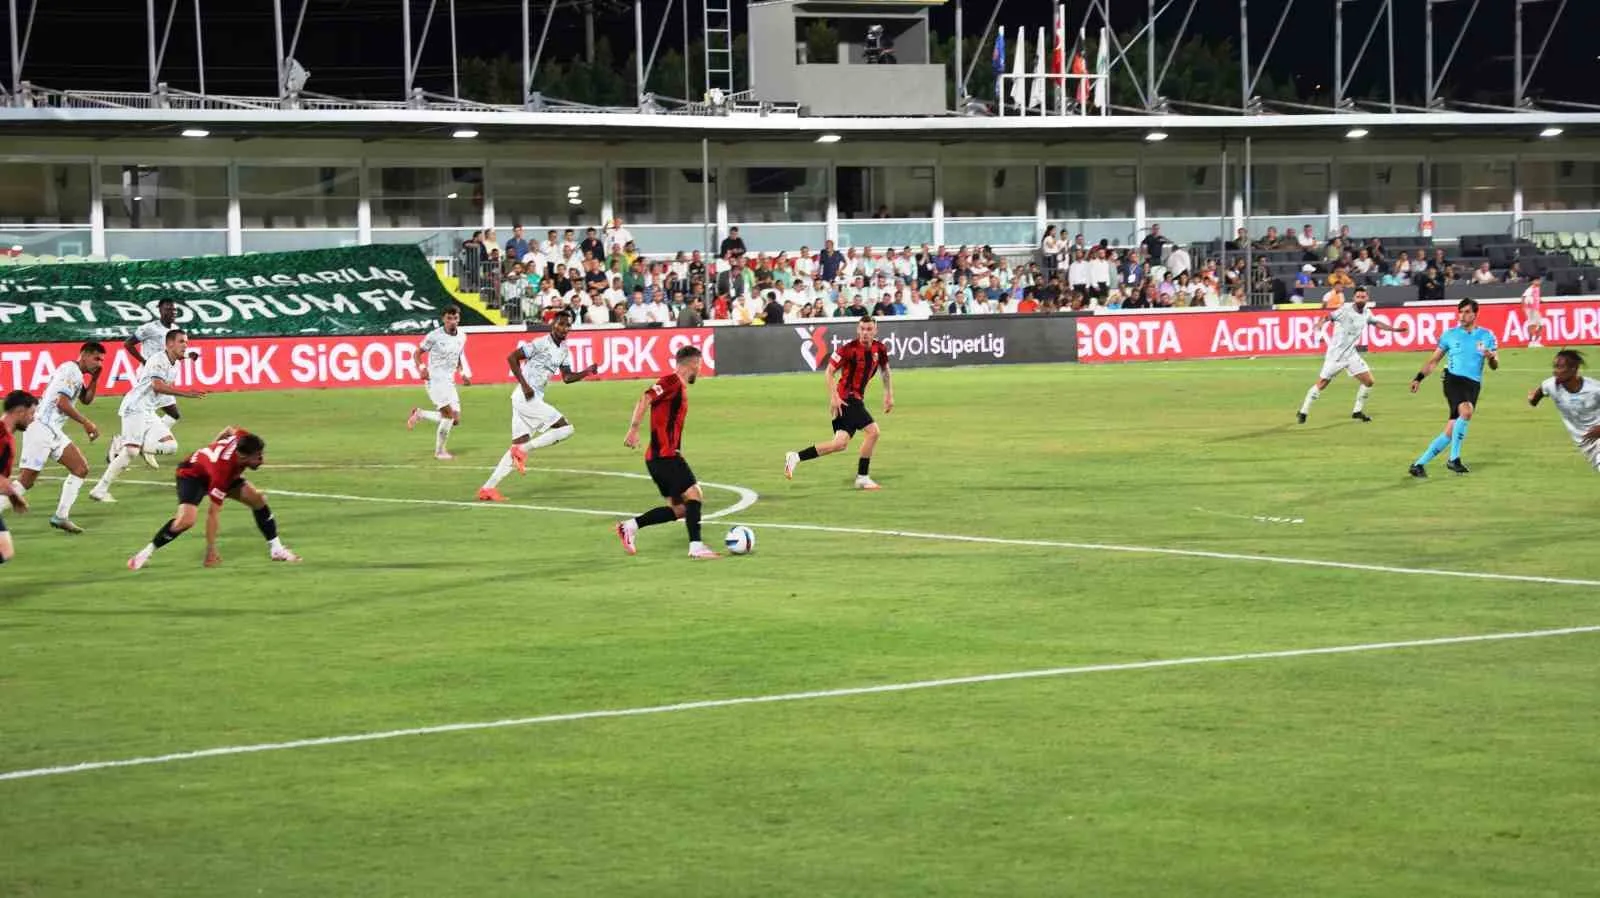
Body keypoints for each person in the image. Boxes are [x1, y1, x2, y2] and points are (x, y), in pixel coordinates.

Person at [127, 426, 300, 570]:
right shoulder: (221, 471)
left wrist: (213, 445)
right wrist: (211, 550)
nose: (262, 460)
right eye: (257, 457)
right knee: (186, 521)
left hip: (219, 469)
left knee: (258, 500)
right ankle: (144, 553)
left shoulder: (243, 438)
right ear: (242, 456)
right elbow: (213, 514)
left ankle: (276, 549)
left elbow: (229, 430)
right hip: (192, 475)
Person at [477, 310, 599, 502]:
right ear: (553, 324)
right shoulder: (540, 343)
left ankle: (487, 488)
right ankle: (525, 450)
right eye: (560, 323)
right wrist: (525, 386)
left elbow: (567, 378)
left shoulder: (564, 349)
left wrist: (587, 371)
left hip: (528, 398)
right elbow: (512, 358)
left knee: (516, 446)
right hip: (526, 396)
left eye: (567, 325)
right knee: (566, 429)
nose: (564, 328)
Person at [615, 345, 720, 559]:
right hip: (665, 456)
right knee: (694, 494)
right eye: (699, 364)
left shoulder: (679, 387)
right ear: (692, 363)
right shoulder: (671, 381)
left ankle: (630, 526)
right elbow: (645, 397)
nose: (700, 370)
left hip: (659, 457)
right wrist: (633, 429)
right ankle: (696, 546)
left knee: (680, 509)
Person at [93, 330, 207, 502]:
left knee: (170, 446)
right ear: (169, 344)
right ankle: (100, 489)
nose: (185, 344)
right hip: (135, 407)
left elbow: (179, 358)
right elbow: (157, 386)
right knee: (130, 452)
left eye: (186, 342)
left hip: (148, 411)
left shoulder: (174, 361)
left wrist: (189, 355)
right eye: (182, 341)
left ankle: (125, 444)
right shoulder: (157, 359)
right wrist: (186, 393)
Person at [784, 316, 894, 490]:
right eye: (862, 329)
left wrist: (889, 394)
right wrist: (834, 396)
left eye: (869, 329)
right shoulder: (848, 349)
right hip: (846, 398)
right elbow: (829, 372)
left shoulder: (879, 349)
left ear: (875, 331)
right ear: (858, 330)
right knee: (873, 432)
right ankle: (862, 477)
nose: (865, 333)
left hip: (853, 399)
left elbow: (885, 371)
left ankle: (795, 457)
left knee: (839, 444)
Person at [16, 342, 106, 533]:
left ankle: (61, 517)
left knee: (80, 468)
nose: (99, 363)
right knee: (26, 481)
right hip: (40, 427)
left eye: (102, 360)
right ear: (84, 355)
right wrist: (86, 422)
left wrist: (95, 378)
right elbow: (61, 403)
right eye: (96, 358)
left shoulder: (77, 374)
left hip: (53, 430)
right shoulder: (70, 371)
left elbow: (86, 400)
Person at [1408, 298, 1499, 477]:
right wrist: (1419, 377)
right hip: (1453, 379)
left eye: (1466, 312)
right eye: (1460, 312)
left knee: (1451, 431)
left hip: (1473, 384)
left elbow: (1495, 365)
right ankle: (1454, 459)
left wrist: (1491, 358)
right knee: (1466, 411)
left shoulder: (1487, 336)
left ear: (1475, 314)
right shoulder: (1449, 335)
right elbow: (1434, 361)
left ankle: (1418, 464)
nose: (1462, 316)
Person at [1297, 288, 1409, 424]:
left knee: (1369, 381)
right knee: (1322, 383)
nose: (1360, 299)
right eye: (1358, 296)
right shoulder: (1345, 310)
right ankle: (1303, 411)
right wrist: (1321, 323)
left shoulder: (1367, 313)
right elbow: (1329, 316)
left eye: (1363, 296)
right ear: (1354, 298)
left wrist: (1395, 330)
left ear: (1367, 298)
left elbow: (1376, 323)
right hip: (1336, 355)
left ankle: (1357, 411)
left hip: (1351, 354)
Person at [406, 305, 470, 461]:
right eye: (449, 318)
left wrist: (462, 373)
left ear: (459, 319)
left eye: (455, 318)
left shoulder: (462, 336)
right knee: (447, 416)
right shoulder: (434, 336)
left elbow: (458, 356)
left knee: (455, 419)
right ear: (443, 319)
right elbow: (417, 353)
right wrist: (422, 367)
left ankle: (420, 414)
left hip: (449, 380)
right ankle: (440, 452)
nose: (452, 321)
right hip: (434, 379)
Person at [1528, 350, 1600, 472]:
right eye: (1555, 367)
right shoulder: (1550, 385)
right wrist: (1532, 399)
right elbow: (1536, 397)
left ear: (1574, 368)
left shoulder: (1595, 389)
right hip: (1587, 444)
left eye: (1560, 367)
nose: (1555, 371)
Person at [122, 299, 183, 424]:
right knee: (146, 411)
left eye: (173, 309)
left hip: (163, 378)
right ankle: (142, 435)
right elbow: (128, 343)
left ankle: (153, 436)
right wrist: (144, 361)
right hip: (149, 377)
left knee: (173, 415)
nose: (172, 312)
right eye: (168, 309)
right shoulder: (150, 328)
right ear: (160, 310)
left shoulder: (176, 329)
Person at [0, 391, 39, 565]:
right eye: (31, 413)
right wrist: (14, 496)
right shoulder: (3, 438)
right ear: (20, 411)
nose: (33, 418)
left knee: (5, 549)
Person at [1522, 279, 1545, 349]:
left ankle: (1536, 342)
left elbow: (1535, 297)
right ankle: (1531, 342)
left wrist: (1540, 299)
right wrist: (1524, 307)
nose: (1539, 282)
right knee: (1533, 325)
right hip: (1531, 309)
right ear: (1533, 281)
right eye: (1537, 280)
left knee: (1541, 325)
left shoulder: (1537, 288)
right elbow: (1523, 297)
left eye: (1539, 280)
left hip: (1536, 309)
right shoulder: (1530, 289)